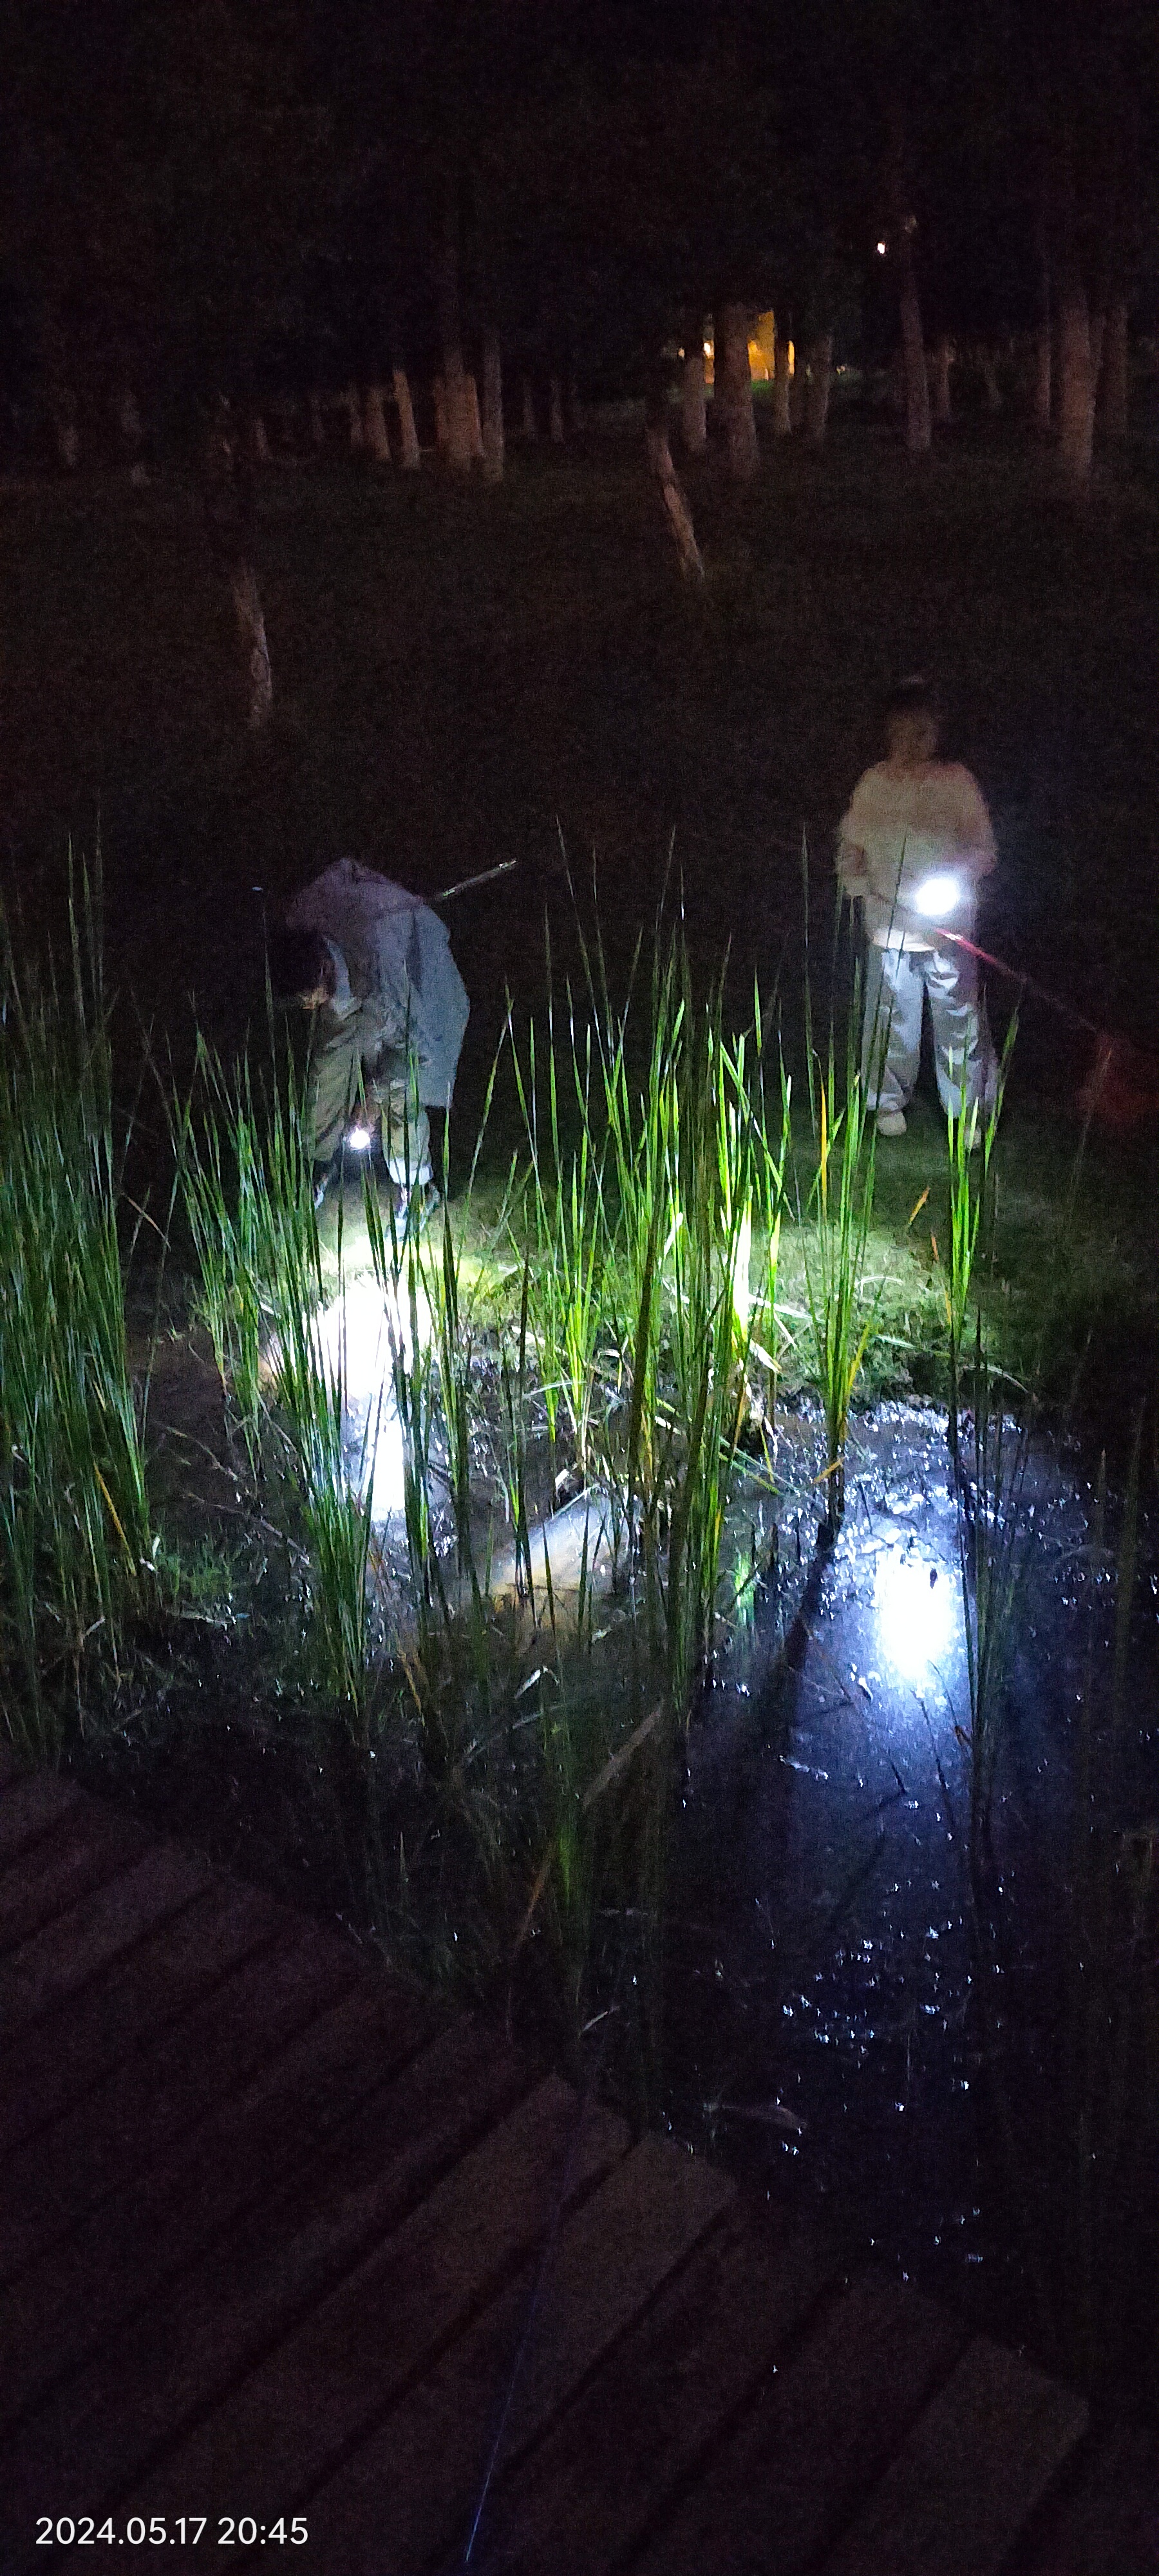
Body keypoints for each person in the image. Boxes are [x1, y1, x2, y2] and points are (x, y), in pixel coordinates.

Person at [836, 677, 999, 1137]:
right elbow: (851, 848)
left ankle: (969, 1107)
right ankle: (886, 1102)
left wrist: (955, 884)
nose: (914, 742)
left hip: (946, 928)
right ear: (890, 732)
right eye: (905, 732)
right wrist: (861, 887)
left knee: (959, 1018)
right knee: (891, 1017)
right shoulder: (874, 784)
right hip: (888, 926)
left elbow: (984, 849)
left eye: (924, 732)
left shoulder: (956, 783)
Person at [268, 857, 469, 1212]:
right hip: (352, 962)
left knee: (401, 1090)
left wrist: (373, 1098)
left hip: (409, 969)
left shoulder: (384, 971)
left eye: (307, 998)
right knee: (327, 1068)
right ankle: (315, 1168)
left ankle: (415, 1189)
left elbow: (412, 1052)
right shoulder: (308, 931)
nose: (308, 1008)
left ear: (323, 968)